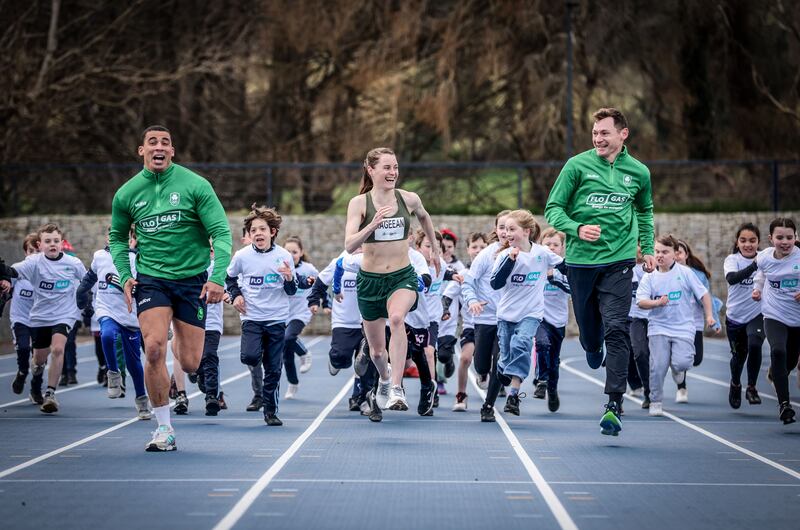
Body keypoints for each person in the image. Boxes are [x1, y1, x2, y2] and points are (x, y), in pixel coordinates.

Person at [109, 125, 232, 451]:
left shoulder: (195, 185)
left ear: (172, 151)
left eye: (165, 142)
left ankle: (179, 337)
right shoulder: (127, 193)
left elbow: (221, 233)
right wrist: (125, 274)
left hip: (192, 279)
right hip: (152, 279)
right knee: (152, 349)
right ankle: (163, 429)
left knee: (191, 363)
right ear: (142, 151)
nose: (159, 147)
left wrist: (217, 276)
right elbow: (118, 238)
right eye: (153, 142)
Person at [544, 107, 655, 436]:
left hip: (620, 261)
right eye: (595, 134)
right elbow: (553, 209)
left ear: (623, 134)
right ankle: (592, 348)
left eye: (604, 133)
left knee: (618, 329)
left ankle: (614, 404)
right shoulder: (576, 166)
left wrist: (646, 249)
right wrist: (576, 228)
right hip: (580, 263)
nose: (598, 139)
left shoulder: (639, 172)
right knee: (591, 334)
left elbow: (645, 212)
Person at [344, 147, 439, 412]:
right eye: (387, 167)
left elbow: (424, 216)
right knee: (376, 352)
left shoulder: (407, 198)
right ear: (371, 169)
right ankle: (385, 379)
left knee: (397, 319)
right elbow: (350, 245)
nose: (392, 172)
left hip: (401, 276)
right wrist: (371, 225)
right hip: (371, 281)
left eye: (395, 167)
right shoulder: (359, 203)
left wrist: (435, 249)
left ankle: (397, 388)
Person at [482, 210, 565, 419]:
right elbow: (495, 283)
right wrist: (510, 261)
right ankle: (502, 368)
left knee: (522, 345)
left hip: (531, 314)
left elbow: (565, 266)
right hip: (507, 316)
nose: (507, 234)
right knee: (507, 356)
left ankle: (513, 396)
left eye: (512, 229)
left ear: (526, 231)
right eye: (505, 229)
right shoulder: (503, 255)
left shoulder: (542, 253)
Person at [0, 223, 87, 413]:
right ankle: (34, 372)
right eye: (48, 241)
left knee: (57, 349)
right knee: (39, 359)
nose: (52, 244)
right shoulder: (34, 262)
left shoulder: (73, 264)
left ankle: (50, 394)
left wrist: (90, 302)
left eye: (56, 241)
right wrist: (5, 276)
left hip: (64, 314)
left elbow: (88, 281)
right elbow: (13, 272)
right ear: (40, 245)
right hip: (39, 316)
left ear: (61, 243)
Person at [226, 205, 296, 426]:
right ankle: (259, 353)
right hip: (252, 318)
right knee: (249, 357)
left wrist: (289, 279)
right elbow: (229, 279)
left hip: (276, 319)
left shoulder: (284, 256)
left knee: (273, 369)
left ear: (272, 232)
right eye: (253, 230)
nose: (257, 233)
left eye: (262, 229)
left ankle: (270, 411)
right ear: (249, 235)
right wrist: (236, 295)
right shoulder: (242, 256)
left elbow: (292, 291)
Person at [636, 235, 717, 417]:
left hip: (683, 327)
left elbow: (704, 295)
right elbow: (641, 302)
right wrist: (656, 303)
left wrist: (710, 316)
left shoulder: (685, 273)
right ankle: (655, 401)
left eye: (665, 252)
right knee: (657, 367)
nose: (660, 255)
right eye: (657, 252)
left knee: (682, 363)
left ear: (675, 254)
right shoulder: (650, 277)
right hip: (658, 327)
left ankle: (678, 371)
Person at [76, 228, 152, 420]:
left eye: (124, 237)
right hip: (106, 308)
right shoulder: (100, 256)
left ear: (131, 240)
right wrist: (81, 294)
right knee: (107, 335)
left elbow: (150, 288)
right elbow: (90, 277)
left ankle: (142, 399)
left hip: (129, 314)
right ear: (108, 238)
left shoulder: (138, 260)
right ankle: (113, 373)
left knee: (134, 362)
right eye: (113, 236)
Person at [752, 217, 800, 424]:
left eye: (789, 237)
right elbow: (761, 274)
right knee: (778, 351)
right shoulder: (764, 257)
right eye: (780, 237)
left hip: (797, 318)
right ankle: (784, 405)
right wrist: (757, 289)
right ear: (771, 239)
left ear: (796, 238)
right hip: (774, 314)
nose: (785, 241)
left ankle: (775, 373)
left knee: (789, 361)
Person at [442, 232, 487, 411]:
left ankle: (484, 374)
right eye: (474, 247)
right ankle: (461, 395)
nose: (478, 251)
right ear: (468, 250)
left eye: (482, 247)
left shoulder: (495, 270)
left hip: (491, 325)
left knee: (491, 360)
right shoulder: (463, 273)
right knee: (465, 358)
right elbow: (447, 295)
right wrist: (444, 310)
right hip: (470, 326)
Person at [673, 238, 723, 403]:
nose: (676, 256)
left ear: (686, 255)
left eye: (679, 252)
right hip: (674, 323)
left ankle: (678, 367)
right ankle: (682, 388)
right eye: (672, 252)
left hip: (694, 323)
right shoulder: (665, 272)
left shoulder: (698, 275)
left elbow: (707, 298)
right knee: (680, 358)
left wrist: (714, 320)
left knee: (696, 359)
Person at [723, 222, 764, 408]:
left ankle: (752, 387)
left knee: (755, 344)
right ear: (737, 242)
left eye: (752, 241)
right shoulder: (732, 259)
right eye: (743, 240)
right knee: (739, 356)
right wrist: (755, 265)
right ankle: (735, 383)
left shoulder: (766, 259)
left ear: (759, 242)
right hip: (735, 317)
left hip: (757, 313)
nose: (748, 244)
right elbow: (732, 279)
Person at [532, 228, 571, 413]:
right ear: (541, 246)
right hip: (539, 316)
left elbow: (572, 289)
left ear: (562, 248)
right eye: (548, 244)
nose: (552, 248)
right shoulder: (536, 264)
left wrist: (553, 278)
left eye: (556, 245)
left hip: (559, 320)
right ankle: (541, 380)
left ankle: (552, 390)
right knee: (541, 343)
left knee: (554, 361)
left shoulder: (564, 268)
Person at [281, 235, 318, 399]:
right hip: (281, 313)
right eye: (287, 251)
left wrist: (322, 303)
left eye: (294, 252)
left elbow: (321, 284)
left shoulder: (309, 269)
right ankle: (293, 383)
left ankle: (304, 353)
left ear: (301, 252)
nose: (291, 254)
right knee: (286, 354)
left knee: (288, 337)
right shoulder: (278, 267)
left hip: (301, 312)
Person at [7, 234, 38, 396]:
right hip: (21, 318)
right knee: (24, 347)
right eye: (30, 251)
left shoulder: (46, 272)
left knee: (39, 357)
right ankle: (22, 373)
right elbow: (6, 289)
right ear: (25, 252)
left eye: (36, 251)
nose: (33, 254)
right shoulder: (18, 269)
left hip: (40, 319)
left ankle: (36, 388)